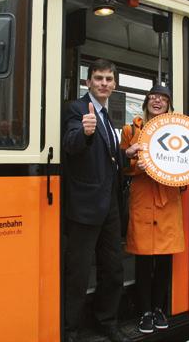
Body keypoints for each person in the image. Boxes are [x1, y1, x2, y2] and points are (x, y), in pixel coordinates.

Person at [62, 58, 140, 342]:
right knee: (78, 272)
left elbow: (107, 157)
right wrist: (84, 132)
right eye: (98, 78)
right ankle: (69, 330)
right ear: (88, 82)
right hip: (84, 207)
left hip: (110, 206)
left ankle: (106, 321)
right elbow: (71, 145)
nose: (103, 83)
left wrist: (127, 154)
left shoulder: (107, 115)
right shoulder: (78, 109)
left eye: (108, 79)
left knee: (113, 268)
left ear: (114, 84)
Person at [119, 85, 185, 334]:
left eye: (163, 98)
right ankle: (144, 311)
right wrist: (137, 167)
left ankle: (159, 308)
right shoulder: (130, 130)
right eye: (153, 97)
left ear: (169, 104)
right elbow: (122, 164)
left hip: (167, 200)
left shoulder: (179, 131)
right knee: (144, 259)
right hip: (142, 199)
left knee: (165, 260)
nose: (158, 101)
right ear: (146, 102)